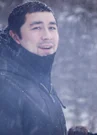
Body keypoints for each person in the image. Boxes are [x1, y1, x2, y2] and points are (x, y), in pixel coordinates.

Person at [0, 1, 66, 135]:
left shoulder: (39, 80)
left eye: (52, 28)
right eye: (36, 28)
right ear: (16, 36)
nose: (47, 36)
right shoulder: (6, 86)